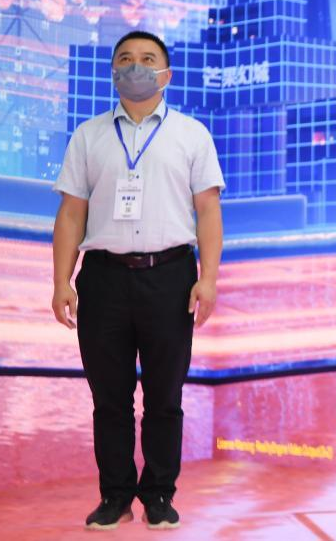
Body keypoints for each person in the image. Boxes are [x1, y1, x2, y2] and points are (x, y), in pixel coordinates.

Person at [50, 30, 225, 531]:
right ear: (113, 73)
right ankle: (115, 496)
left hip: (170, 277)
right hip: (103, 279)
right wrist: (62, 281)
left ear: (166, 74)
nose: (136, 66)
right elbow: (71, 214)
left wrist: (208, 279)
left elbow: (208, 212)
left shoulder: (191, 134)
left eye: (148, 59)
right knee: (110, 399)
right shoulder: (89, 136)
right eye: (125, 58)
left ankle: (160, 495)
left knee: (165, 398)